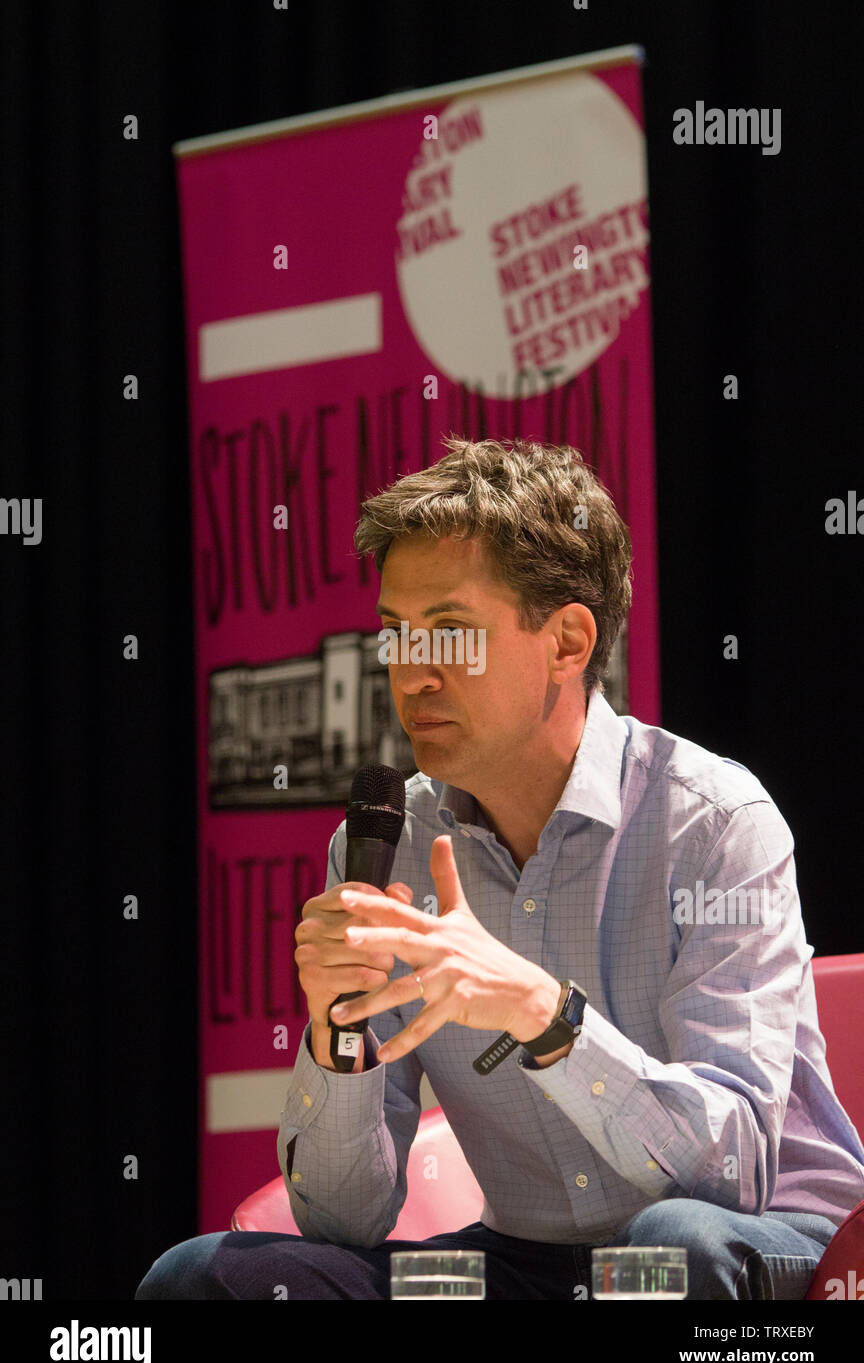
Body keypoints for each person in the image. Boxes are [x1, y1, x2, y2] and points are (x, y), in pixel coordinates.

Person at [135, 435, 864, 1301]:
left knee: (668, 1251)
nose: (412, 676)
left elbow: (732, 1172)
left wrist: (539, 1010)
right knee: (202, 1279)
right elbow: (343, 1221)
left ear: (566, 640)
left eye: (451, 634)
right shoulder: (381, 844)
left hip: (778, 1251)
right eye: (397, 636)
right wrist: (336, 1031)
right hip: (525, 1265)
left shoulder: (713, 824)